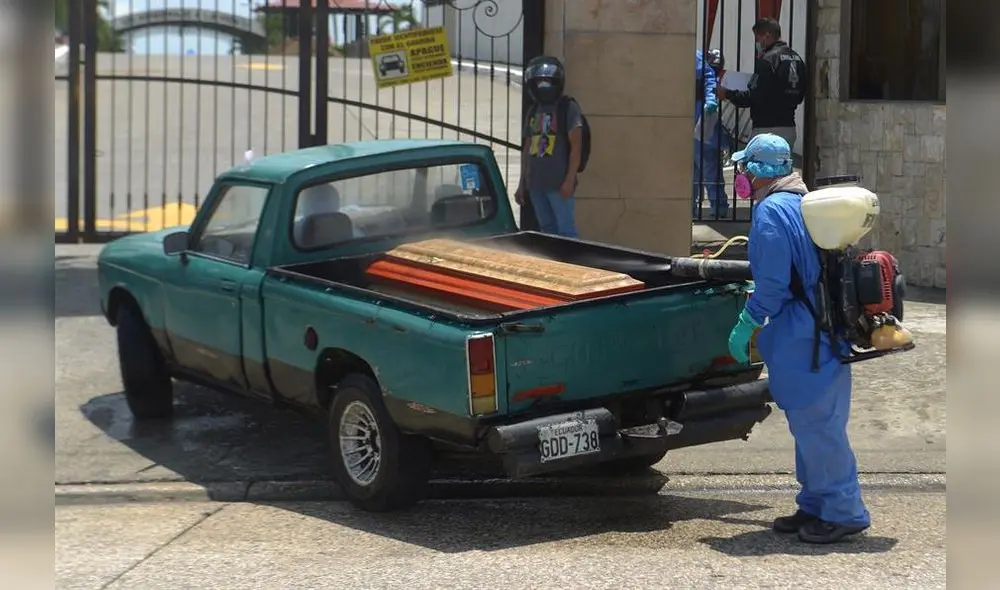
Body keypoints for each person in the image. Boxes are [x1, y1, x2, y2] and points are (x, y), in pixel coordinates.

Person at [726, 133, 872, 545]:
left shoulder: (772, 212)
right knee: (812, 426)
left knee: (818, 429)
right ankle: (815, 504)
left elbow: (772, 286)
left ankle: (844, 512)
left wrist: (746, 324)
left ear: (754, 172)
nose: (739, 177)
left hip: (804, 336)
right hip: (823, 332)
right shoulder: (800, 202)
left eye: (742, 169)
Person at [515, 56, 584, 238]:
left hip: (558, 183)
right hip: (536, 183)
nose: (542, 86)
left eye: (547, 82)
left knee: (566, 231)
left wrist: (569, 179)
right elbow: (528, 147)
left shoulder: (567, 108)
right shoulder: (533, 111)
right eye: (538, 82)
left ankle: (569, 266)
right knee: (547, 231)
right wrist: (523, 182)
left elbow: (576, 146)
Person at [717, 17, 806, 150]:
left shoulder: (767, 60)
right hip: (789, 127)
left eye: (758, 38)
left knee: (759, 169)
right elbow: (800, 96)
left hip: (766, 129)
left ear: (767, 35)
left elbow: (754, 97)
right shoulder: (797, 59)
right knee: (781, 168)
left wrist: (727, 94)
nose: (757, 42)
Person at [693, 49, 728, 218]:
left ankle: (718, 205)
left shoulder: (696, 56)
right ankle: (689, 207)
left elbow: (709, 79)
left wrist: (710, 100)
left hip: (701, 117)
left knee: (709, 163)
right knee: (686, 168)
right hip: (679, 117)